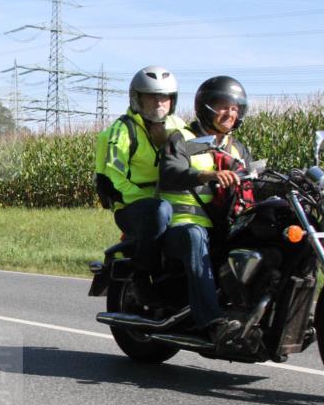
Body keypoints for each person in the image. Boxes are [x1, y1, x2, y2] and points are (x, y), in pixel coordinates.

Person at [159, 75, 252, 345]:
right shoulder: (185, 139)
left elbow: (252, 179)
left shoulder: (236, 148)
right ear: (206, 107)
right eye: (224, 106)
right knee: (195, 236)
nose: (230, 113)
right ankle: (212, 322)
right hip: (182, 226)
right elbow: (169, 172)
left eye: (235, 108)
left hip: (225, 226)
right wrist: (207, 176)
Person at [101, 65, 187, 300]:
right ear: (137, 98)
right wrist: (149, 199)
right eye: (152, 96)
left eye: (165, 97)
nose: (159, 103)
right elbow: (112, 180)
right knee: (159, 210)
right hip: (132, 205)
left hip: (173, 201)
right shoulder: (122, 131)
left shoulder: (179, 126)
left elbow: (197, 157)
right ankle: (143, 277)